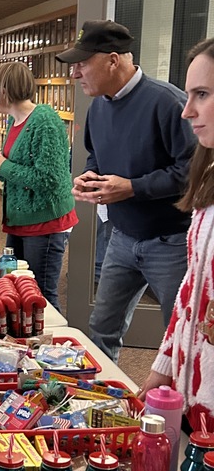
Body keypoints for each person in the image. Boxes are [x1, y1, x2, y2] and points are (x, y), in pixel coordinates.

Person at [58, 20, 195, 362]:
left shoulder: (168, 103)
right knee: (102, 327)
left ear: (113, 60)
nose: (75, 74)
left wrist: (133, 188)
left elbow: (193, 173)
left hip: (171, 242)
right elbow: (96, 156)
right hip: (121, 237)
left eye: (81, 64)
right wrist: (91, 175)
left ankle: (183, 412)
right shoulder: (99, 106)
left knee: (180, 336)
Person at [140, 38, 214, 432]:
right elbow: (191, 292)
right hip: (192, 402)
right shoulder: (207, 180)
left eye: (201, 94)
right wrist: (164, 366)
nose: (187, 111)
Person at [0, 61, 77, 311]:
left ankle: (55, 349)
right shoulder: (14, 121)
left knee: (40, 296)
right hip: (20, 221)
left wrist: (4, 167)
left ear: (5, 90)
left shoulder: (44, 120)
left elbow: (50, 179)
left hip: (44, 222)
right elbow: (18, 174)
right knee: (16, 288)